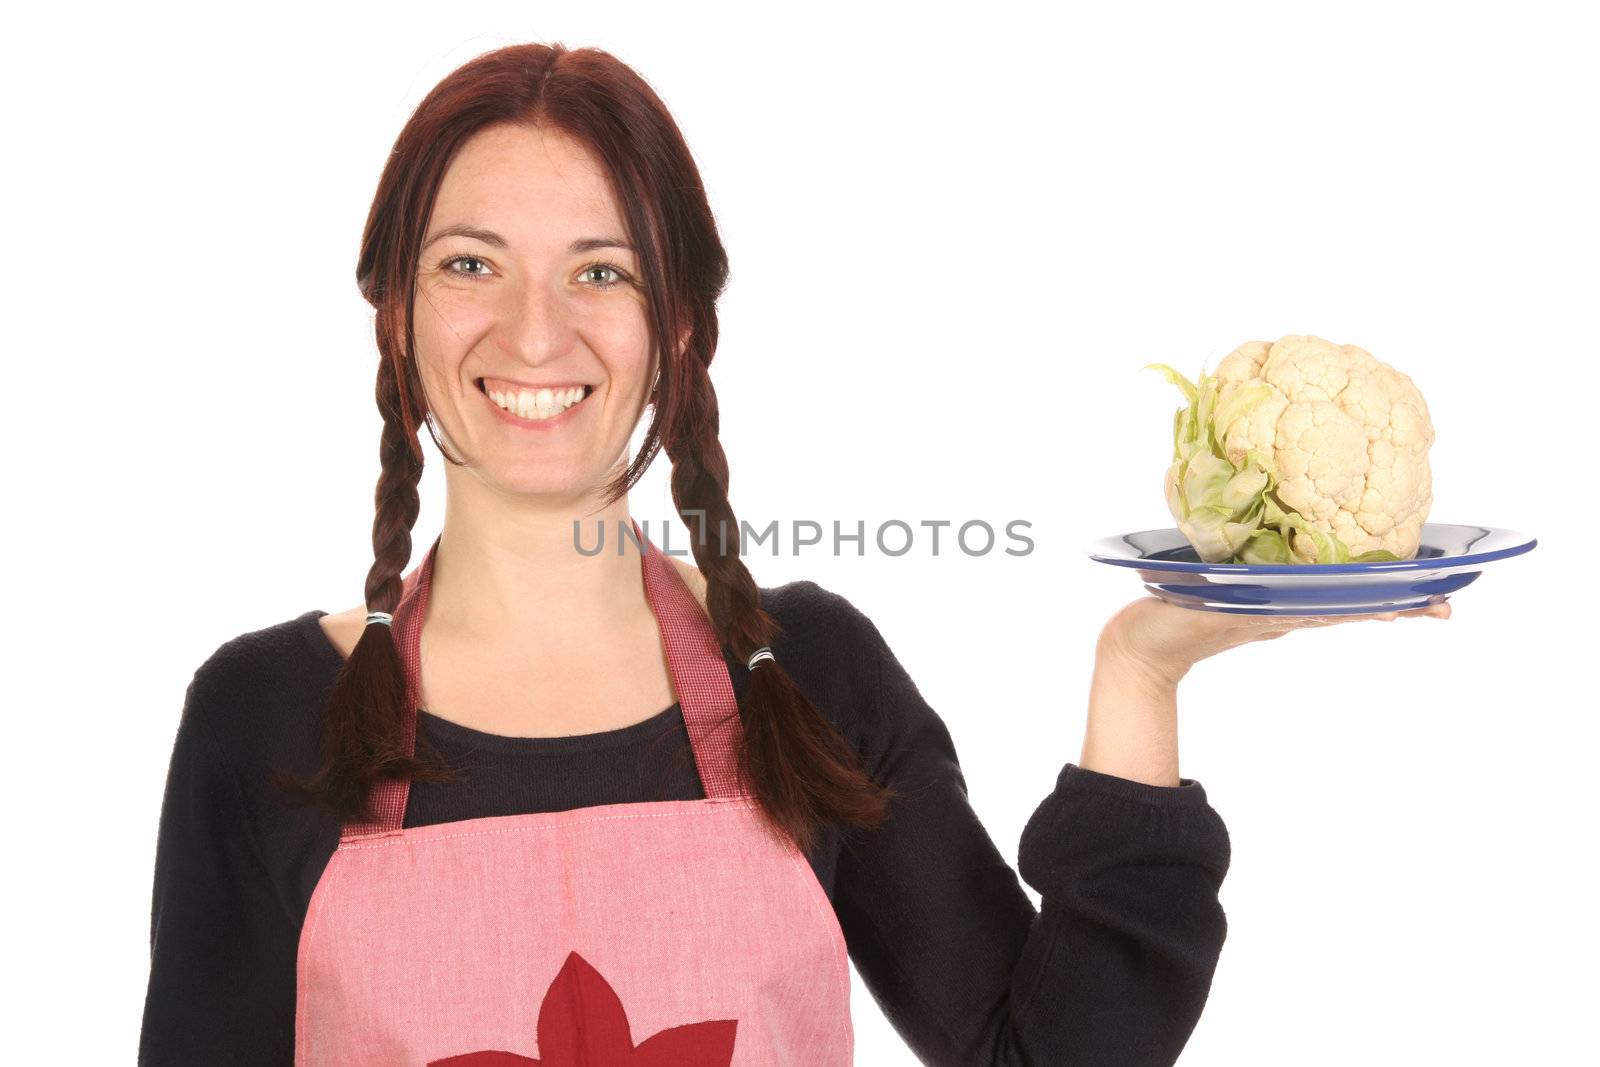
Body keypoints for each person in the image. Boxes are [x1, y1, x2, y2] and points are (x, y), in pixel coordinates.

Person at [138, 41, 1450, 1067]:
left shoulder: (806, 674)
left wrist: (1143, 674)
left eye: (603, 273)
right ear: (395, 311)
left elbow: (1045, 1056)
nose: (535, 335)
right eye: (472, 263)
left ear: (684, 327)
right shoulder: (265, 718)